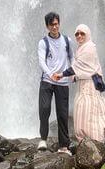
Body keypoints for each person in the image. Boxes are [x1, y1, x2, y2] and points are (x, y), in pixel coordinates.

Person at [53, 24, 105, 143]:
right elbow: (81, 69)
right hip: (83, 85)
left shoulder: (89, 48)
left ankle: (96, 140)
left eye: (82, 33)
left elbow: (79, 67)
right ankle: (86, 141)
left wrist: (61, 75)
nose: (79, 36)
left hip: (89, 86)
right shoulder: (82, 48)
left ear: (87, 34)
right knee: (83, 109)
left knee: (88, 110)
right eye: (77, 34)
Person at [37, 12, 73, 154]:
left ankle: (64, 146)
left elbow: (72, 57)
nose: (55, 26)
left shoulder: (67, 40)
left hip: (62, 82)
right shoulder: (43, 42)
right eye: (52, 24)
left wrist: (72, 72)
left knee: (62, 114)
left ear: (59, 24)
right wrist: (50, 74)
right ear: (47, 26)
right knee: (44, 109)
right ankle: (43, 139)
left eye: (56, 23)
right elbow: (41, 61)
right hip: (47, 81)